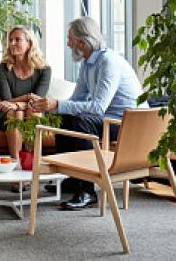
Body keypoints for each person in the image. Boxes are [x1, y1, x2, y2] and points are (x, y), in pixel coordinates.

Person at [32, 17, 143, 210]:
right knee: (65, 117)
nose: (68, 44)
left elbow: (98, 107)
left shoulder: (108, 62)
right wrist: (54, 107)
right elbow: (77, 99)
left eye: (70, 39)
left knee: (80, 122)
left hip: (127, 124)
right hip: (109, 119)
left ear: (82, 43)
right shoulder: (88, 64)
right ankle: (75, 177)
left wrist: (57, 103)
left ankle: (88, 190)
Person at [0, 26, 51, 191]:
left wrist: (20, 103)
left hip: (33, 112)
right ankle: (16, 166)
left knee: (33, 111)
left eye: (17, 40)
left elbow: (38, 101)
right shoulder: (2, 69)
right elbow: (6, 102)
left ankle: (30, 165)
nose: (12, 43)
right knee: (15, 112)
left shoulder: (44, 70)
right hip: (6, 115)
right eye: (10, 40)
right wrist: (27, 97)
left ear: (29, 43)